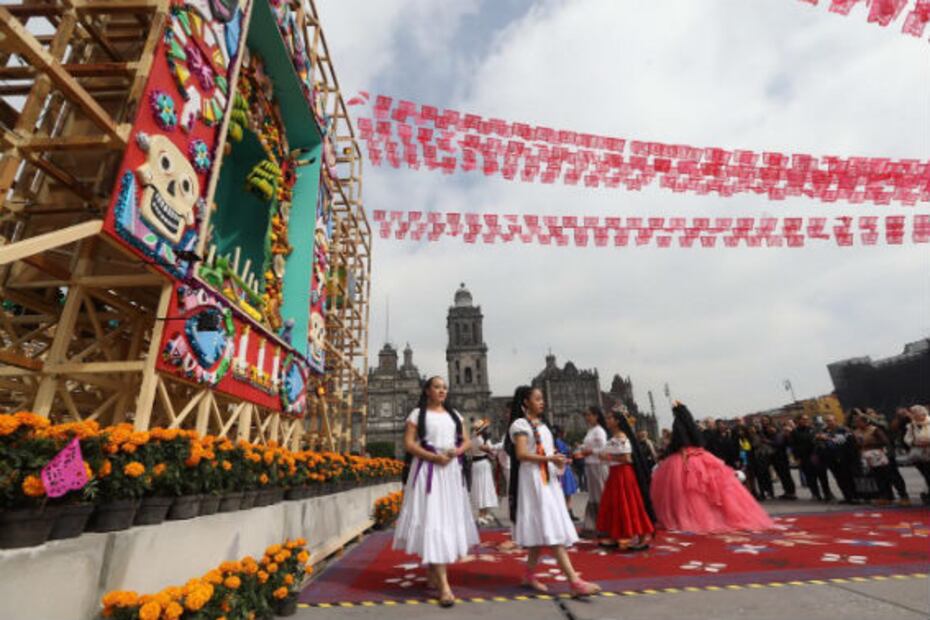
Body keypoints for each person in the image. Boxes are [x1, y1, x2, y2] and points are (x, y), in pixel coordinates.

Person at [505, 386, 601, 597]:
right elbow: (521, 454)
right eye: (537, 399)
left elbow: (547, 451)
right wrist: (549, 459)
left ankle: (529, 575)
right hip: (533, 481)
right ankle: (574, 582)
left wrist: (557, 458)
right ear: (525, 402)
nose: (542, 402)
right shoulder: (520, 424)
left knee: (543, 530)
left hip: (547, 481)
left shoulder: (543, 426)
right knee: (551, 529)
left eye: (542, 399)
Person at [393, 377, 479, 608]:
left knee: (445, 520)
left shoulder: (455, 415)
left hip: (450, 472)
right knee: (433, 519)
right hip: (427, 471)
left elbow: (467, 441)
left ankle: (434, 572)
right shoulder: (416, 415)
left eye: (444, 387)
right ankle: (444, 586)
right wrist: (433, 457)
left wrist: (456, 451)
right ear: (427, 390)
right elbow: (409, 444)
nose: (442, 390)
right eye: (437, 387)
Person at [651, 402, 774, 534]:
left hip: (685, 456)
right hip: (700, 454)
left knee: (688, 492)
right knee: (710, 488)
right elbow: (699, 441)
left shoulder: (678, 424)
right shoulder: (692, 424)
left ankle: (693, 517)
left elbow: (679, 442)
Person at [596, 409, 655, 550]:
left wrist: (607, 457)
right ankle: (616, 535)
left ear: (617, 421)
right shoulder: (615, 436)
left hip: (622, 474)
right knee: (616, 504)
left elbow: (627, 458)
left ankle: (642, 536)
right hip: (615, 473)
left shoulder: (621, 437)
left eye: (610, 418)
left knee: (629, 503)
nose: (607, 420)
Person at [575, 406, 609, 536]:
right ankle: (593, 524)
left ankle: (604, 525)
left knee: (600, 494)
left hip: (598, 464)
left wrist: (588, 451)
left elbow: (602, 449)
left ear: (596, 416)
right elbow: (588, 446)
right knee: (593, 496)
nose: (587, 417)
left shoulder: (599, 431)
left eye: (589, 415)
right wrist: (581, 448)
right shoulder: (591, 430)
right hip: (590, 464)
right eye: (586, 415)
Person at [851, 413, 894, 505]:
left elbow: (885, 441)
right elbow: (856, 444)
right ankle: (882, 496)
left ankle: (887, 496)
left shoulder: (874, 430)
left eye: (858, 422)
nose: (856, 424)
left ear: (865, 422)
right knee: (876, 477)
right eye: (855, 422)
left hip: (877, 454)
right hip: (865, 456)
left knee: (883, 476)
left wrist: (871, 444)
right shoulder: (856, 432)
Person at [816, 414, 859, 504]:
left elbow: (848, 442)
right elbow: (819, 443)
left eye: (830, 420)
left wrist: (827, 438)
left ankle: (854, 497)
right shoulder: (824, 431)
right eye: (827, 421)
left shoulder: (843, 430)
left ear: (835, 420)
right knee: (839, 479)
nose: (829, 422)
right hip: (831, 459)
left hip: (844, 458)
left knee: (848, 478)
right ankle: (847, 497)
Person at [790, 415, 833, 501]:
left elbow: (820, 439)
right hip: (805, 457)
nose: (806, 421)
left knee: (823, 476)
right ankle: (815, 494)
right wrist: (797, 458)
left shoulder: (813, 429)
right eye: (803, 419)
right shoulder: (795, 432)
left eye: (807, 419)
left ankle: (827, 494)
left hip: (817, 456)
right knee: (810, 478)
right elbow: (794, 446)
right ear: (798, 420)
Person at [468, 418, 499, 525]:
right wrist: (493, 448)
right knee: (481, 487)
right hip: (480, 464)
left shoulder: (479, 438)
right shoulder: (478, 439)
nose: (487, 430)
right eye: (485, 428)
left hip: (483, 464)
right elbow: (489, 449)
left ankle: (485, 512)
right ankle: (481, 514)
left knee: (486, 487)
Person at [763, 421, 797, 500]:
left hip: (782, 459)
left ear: (775, 428)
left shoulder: (779, 435)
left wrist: (767, 442)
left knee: (786, 476)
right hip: (776, 459)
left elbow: (778, 444)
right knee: (782, 476)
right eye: (768, 428)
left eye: (771, 427)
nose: (770, 429)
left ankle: (792, 493)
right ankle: (787, 492)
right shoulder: (772, 435)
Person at [552, 425, 580, 520]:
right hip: (563, 467)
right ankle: (568, 512)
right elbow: (561, 455)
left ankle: (567, 512)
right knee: (566, 492)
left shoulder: (555, 441)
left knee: (564, 492)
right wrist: (567, 460)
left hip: (561, 467)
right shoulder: (559, 442)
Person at [904, 405, 930, 503]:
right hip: (918, 454)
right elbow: (907, 438)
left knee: (928, 474)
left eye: (916, 414)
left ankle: (927, 493)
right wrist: (914, 442)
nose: (914, 416)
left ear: (923, 414)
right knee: (926, 474)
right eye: (913, 414)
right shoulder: (911, 425)